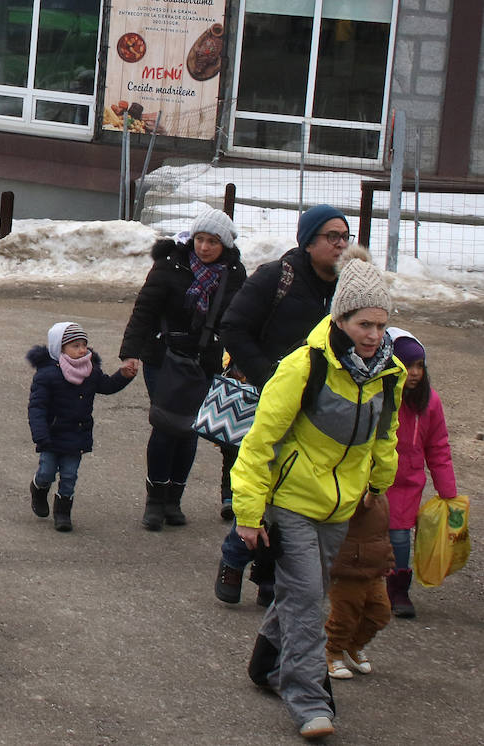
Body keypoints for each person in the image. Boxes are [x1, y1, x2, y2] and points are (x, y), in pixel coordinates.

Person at [236, 246, 402, 741]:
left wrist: (377, 485)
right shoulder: (303, 367)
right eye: (363, 325)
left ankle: (266, 663)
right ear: (340, 318)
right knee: (308, 600)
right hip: (292, 505)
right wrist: (248, 511)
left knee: (302, 593)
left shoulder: (388, 374)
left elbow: (384, 436)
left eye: (380, 324)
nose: (374, 336)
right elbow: (259, 441)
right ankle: (309, 701)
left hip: (342, 507)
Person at [215, 204, 348, 605]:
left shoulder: (347, 288)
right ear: (308, 242)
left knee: (291, 492)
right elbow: (233, 327)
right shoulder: (278, 276)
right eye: (332, 237)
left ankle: (268, 575)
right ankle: (235, 557)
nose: (341, 245)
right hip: (270, 402)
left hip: (318, 410)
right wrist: (270, 377)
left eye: (345, 237)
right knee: (266, 486)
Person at [120, 208, 246, 530]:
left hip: (203, 359)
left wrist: (243, 361)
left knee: (190, 428)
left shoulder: (233, 274)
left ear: (225, 244)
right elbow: (144, 310)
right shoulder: (169, 266)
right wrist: (131, 353)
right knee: (165, 425)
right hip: (163, 356)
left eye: (212, 241)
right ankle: (155, 501)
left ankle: (174, 500)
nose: (204, 247)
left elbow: (240, 321)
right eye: (200, 239)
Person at [27, 322, 136, 532]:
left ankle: (62, 513)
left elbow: (107, 386)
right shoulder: (47, 375)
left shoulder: (90, 371)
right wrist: (40, 434)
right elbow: (37, 407)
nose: (82, 350)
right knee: (46, 473)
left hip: (77, 434)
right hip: (52, 435)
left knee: (69, 476)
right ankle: (38, 488)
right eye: (75, 345)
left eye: (84, 344)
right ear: (60, 348)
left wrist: (123, 375)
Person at [382, 328, 456, 619]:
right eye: (408, 365)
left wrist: (447, 492)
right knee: (360, 534)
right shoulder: (381, 395)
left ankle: (398, 589)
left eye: (419, 366)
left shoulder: (430, 402)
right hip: (372, 480)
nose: (414, 373)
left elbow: (438, 448)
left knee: (400, 538)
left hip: (407, 485)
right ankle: (353, 582)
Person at [323, 488, 393, 681]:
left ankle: (354, 644)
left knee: (380, 612)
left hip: (373, 568)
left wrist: (388, 559)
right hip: (347, 568)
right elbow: (354, 510)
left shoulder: (381, 497)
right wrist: (366, 494)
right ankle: (333, 651)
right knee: (344, 615)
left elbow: (383, 534)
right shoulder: (351, 489)